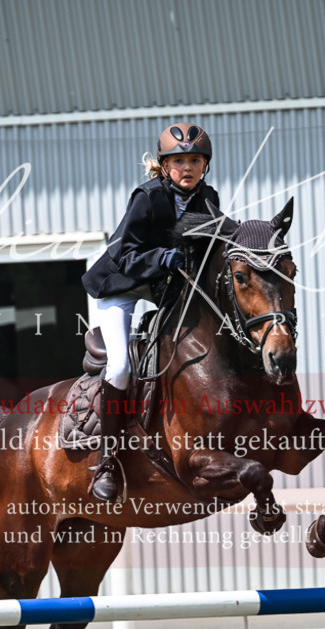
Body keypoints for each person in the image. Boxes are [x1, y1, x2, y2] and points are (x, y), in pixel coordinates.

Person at [81, 122, 220, 502]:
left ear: (205, 165)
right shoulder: (147, 196)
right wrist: (161, 257)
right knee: (120, 367)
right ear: (164, 166)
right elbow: (123, 253)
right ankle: (107, 460)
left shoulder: (208, 197)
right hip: (122, 284)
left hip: (164, 286)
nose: (187, 168)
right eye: (178, 161)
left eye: (195, 161)